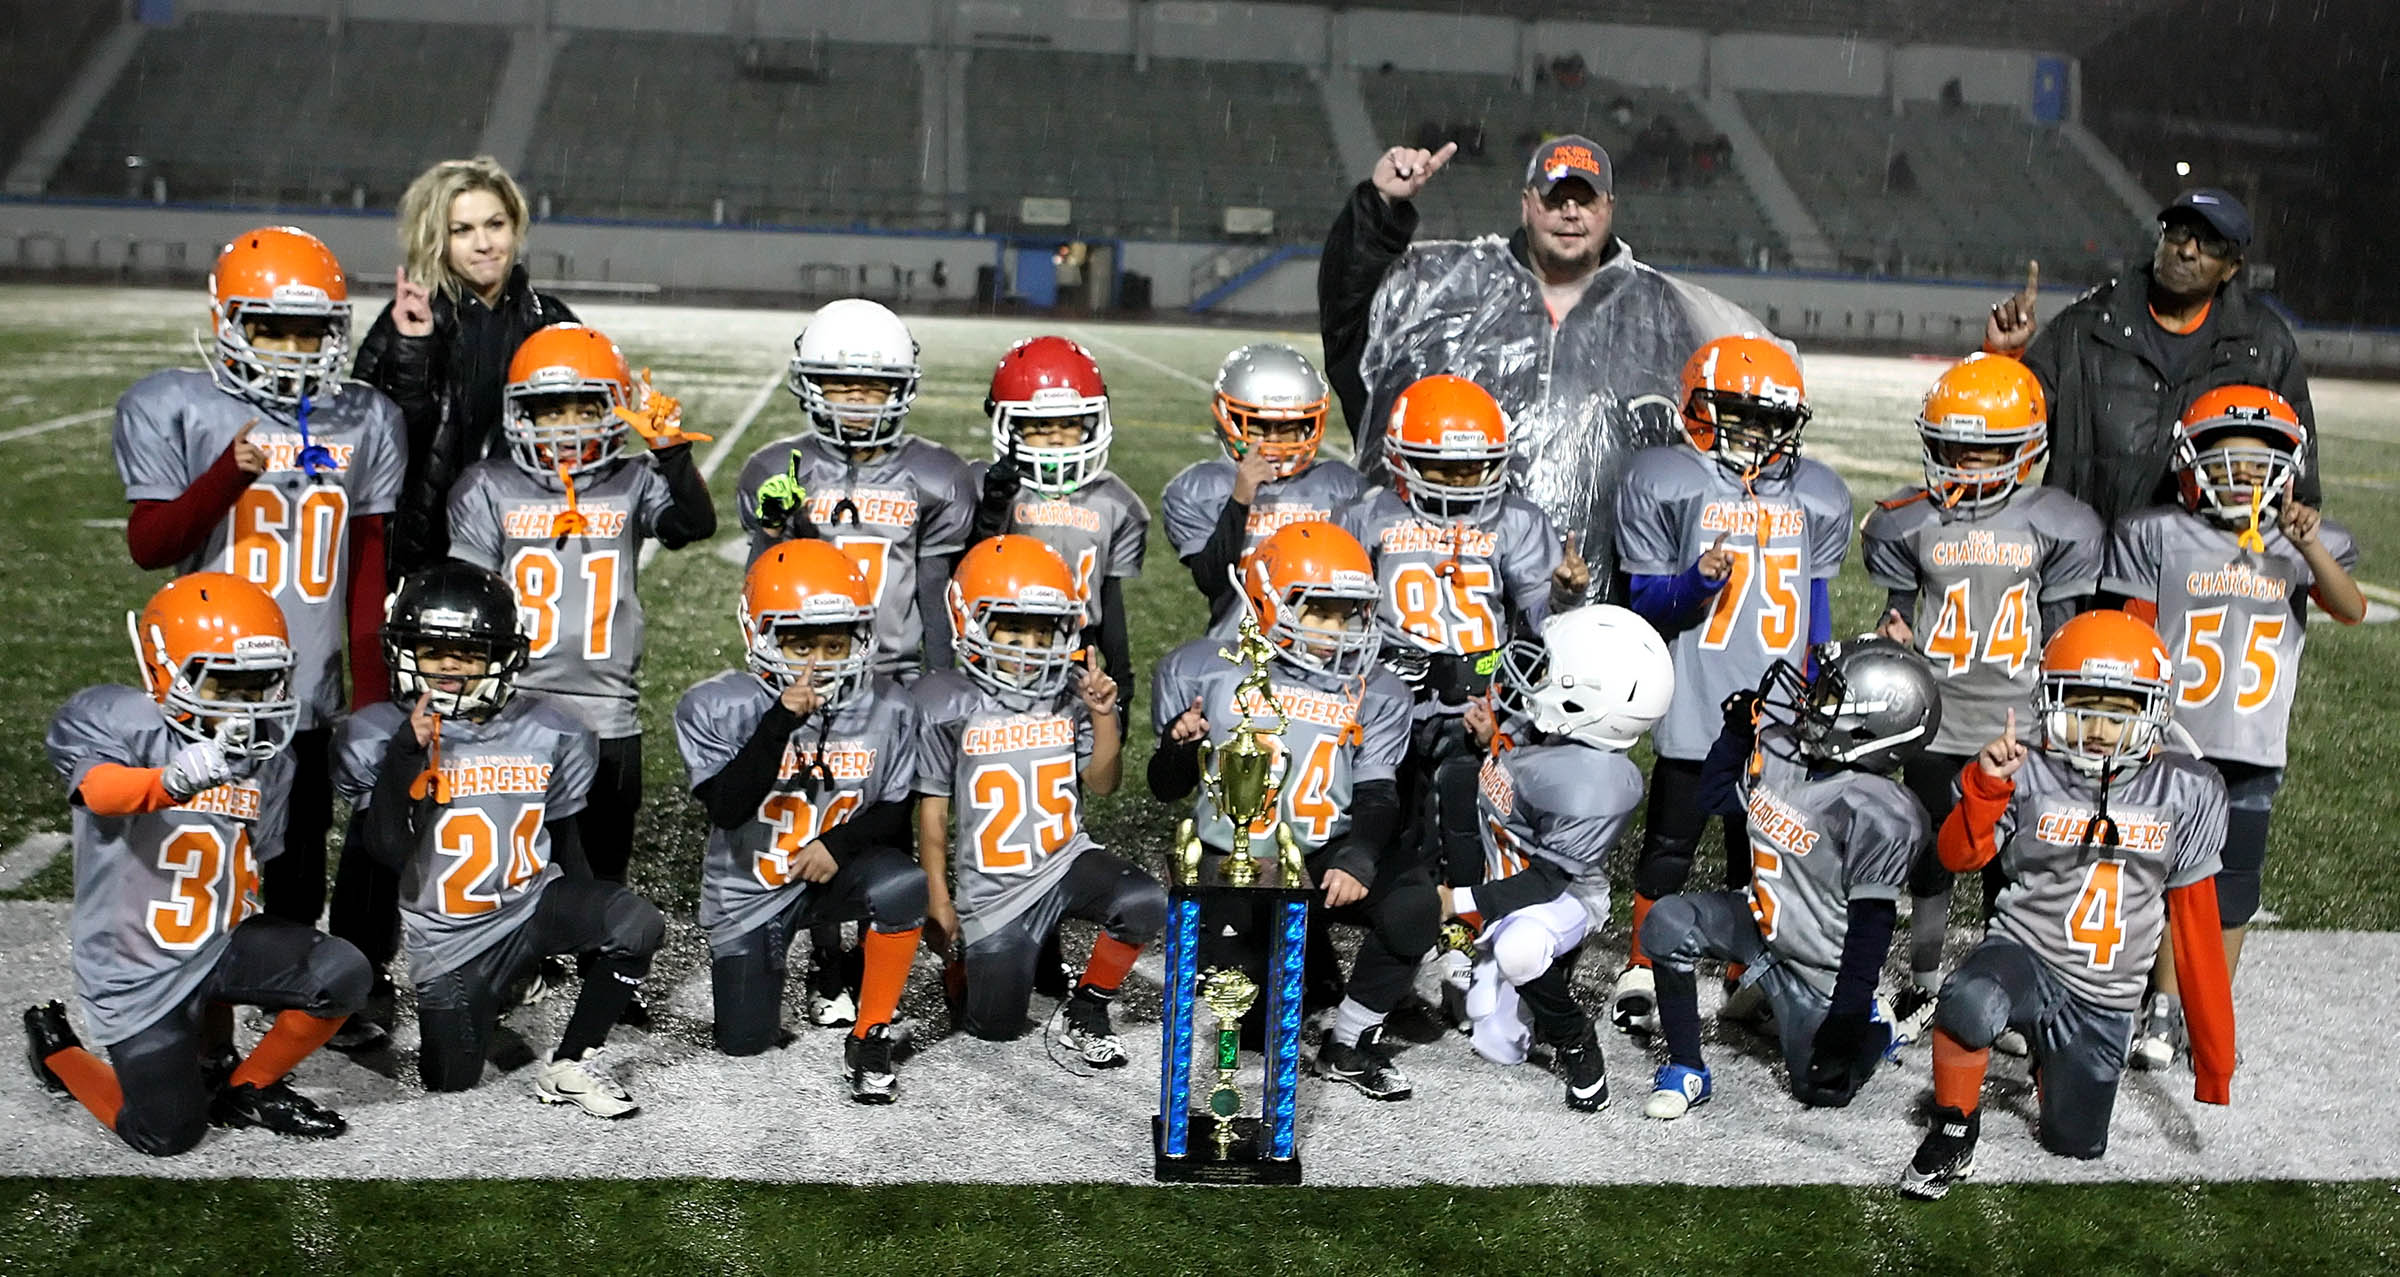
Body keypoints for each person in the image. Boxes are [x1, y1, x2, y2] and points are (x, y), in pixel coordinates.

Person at [113, 225, 404, 946]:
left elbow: (368, 566)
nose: (294, 350)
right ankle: (200, 1014)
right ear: (228, 322)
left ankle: (288, 1009)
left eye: (311, 332)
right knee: (202, 856)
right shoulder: (180, 403)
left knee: (298, 864)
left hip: (306, 684)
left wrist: (368, 697)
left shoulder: (364, 416)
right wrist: (227, 474)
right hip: (209, 684)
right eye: (272, 330)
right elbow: (152, 545)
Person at [1319, 134, 1770, 594]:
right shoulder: (1454, 289)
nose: (1570, 212)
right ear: (1527, 203)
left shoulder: (1662, 312)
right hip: (1458, 601)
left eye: (1585, 200)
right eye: (1556, 199)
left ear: (1609, 207)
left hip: (1606, 605)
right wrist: (1380, 209)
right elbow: (1355, 324)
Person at [26, 573, 369, 1156]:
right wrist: (177, 777)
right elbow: (100, 791)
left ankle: (248, 1089)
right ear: (165, 670)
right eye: (228, 685)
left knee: (341, 972)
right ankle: (60, 1054)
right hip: (137, 966)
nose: (247, 705)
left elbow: (246, 867)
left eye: (262, 684)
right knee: (167, 1134)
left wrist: (218, 1029)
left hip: (216, 939)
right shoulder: (119, 720)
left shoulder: (269, 758)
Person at [1899, 611, 2233, 1199]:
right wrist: (1985, 789)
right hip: (2025, 953)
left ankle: (2050, 1064)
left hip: (2106, 993)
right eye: (2082, 703)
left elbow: (2197, 924)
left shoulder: (2187, 789)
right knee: (1969, 1002)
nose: (2099, 726)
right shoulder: (2026, 769)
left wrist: (2213, 1057)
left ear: (2154, 709)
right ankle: (1954, 1129)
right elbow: (1957, 857)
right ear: (2050, 698)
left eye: (2120, 707)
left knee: (2075, 1143)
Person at [333, 564, 664, 1119]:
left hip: (532, 908)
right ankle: (500, 986)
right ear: (404, 649)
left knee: (636, 923)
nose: (449, 667)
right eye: (432, 650)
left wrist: (592, 938)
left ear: (503, 656)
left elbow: (565, 839)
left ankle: (571, 1063)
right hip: (450, 941)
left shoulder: (554, 727)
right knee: (451, 1085)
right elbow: (387, 850)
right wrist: (406, 754)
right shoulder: (372, 734)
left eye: (468, 652)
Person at [2099, 385, 2362, 1069]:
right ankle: (2158, 1001)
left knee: (2235, 887)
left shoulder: (2309, 543)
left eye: (2260, 460)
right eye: (2227, 457)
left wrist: (2306, 544)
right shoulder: (2156, 532)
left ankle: (2210, 1005)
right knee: (2163, 874)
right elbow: (2132, 632)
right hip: (2171, 740)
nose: (2244, 473)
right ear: (2190, 461)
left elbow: (2351, 607)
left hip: (2252, 743)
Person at [736, 297, 974, 1026]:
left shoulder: (934, 475)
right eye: (840, 384)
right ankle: (823, 957)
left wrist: (939, 683)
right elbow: (763, 586)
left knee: (883, 827)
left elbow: (934, 597)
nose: (856, 401)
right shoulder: (778, 468)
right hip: (808, 674)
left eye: (871, 386)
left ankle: (877, 959)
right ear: (809, 383)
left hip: (893, 679)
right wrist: (780, 530)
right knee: (806, 817)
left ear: (901, 388)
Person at [1608, 336, 1851, 1037]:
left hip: (1776, 705)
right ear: (1703, 409)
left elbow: (1814, 606)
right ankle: (1643, 964)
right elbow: (1646, 603)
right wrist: (1698, 582)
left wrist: (1819, 678)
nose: (1761, 435)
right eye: (1743, 416)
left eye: (1773, 422)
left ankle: (1751, 971)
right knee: (1672, 841)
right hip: (1697, 693)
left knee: (1762, 846)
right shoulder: (1667, 478)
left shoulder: (1814, 492)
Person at [1860, 354, 2103, 1041]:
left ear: (2023, 451)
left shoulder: (2055, 523)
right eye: (1953, 445)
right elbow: (1898, 612)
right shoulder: (1909, 521)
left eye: (1986, 449)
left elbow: (2063, 637)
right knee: (1935, 855)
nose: (1965, 461)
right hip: (1936, 719)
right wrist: (1893, 634)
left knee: (2010, 863)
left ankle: (2004, 980)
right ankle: (1926, 979)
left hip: (2020, 723)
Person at [1150, 522, 1434, 1100]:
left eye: (1348, 614)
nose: (1337, 632)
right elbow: (1164, 786)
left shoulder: (1375, 688)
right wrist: (1179, 745)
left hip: (1325, 837)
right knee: (1253, 1021)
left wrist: (1357, 857)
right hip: (1238, 851)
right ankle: (1306, 971)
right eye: (1319, 613)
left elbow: (1379, 792)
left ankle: (1349, 1041)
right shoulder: (1211, 669)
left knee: (1413, 905)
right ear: (1266, 603)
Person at [447, 323, 716, 885]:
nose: (567, 426)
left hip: (606, 707)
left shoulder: (633, 479)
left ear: (614, 409)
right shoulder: (489, 485)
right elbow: (470, 596)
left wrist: (671, 453)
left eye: (583, 408)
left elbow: (693, 523)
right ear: (521, 413)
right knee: (515, 863)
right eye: (551, 410)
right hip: (512, 702)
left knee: (603, 870)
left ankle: (603, 968)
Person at [1640, 639, 1938, 1120]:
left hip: (1820, 969)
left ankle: (1882, 1024)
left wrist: (1846, 1019)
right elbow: (1716, 798)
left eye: (1828, 694)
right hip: (1760, 922)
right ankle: (1685, 1068)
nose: (1809, 700)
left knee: (1823, 1089)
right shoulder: (1782, 747)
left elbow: (1870, 930)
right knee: (1668, 922)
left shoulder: (1879, 812)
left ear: (1868, 727)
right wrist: (1737, 735)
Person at [675, 541, 926, 1100]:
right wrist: (779, 722)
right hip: (751, 889)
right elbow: (727, 806)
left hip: (830, 878)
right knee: (744, 1042)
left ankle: (870, 1034)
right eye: (799, 642)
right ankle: (811, 965)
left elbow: (893, 806)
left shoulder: (889, 705)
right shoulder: (718, 705)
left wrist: (837, 844)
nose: (820, 660)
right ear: (760, 636)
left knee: (904, 885)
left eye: (835, 643)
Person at [913, 537, 1160, 1067]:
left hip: (1065, 859)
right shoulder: (947, 700)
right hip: (995, 892)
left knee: (1144, 900)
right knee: (993, 1030)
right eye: (1014, 627)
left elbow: (1102, 783)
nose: (1030, 644)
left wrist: (1101, 715)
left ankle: (1088, 1008)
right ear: (972, 621)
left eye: (1044, 629)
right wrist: (940, 898)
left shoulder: (1072, 694)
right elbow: (933, 813)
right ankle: (964, 968)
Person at [1337, 374, 1582, 899]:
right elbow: (1341, 616)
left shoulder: (1515, 520)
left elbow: (1540, 618)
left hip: (1479, 695)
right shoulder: (1368, 515)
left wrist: (1562, 597)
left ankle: (1461, 920)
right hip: (1388, 698)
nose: (1462, 481)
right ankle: (1395, 912)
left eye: (1476, 467)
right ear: (1402, 459)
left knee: (1470, 818)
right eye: (1445, 468)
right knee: (1387, 814)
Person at [1983, 189, 2319, 528]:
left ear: (2232, 267)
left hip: (2202, 566)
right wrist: (2004, 356)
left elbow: (2297, 468)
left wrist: (2299, 518)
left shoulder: (2263, 344)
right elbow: (2010, 432)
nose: (2187, 250)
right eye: (2179, 232)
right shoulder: (2085, 325)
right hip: (2088, 560)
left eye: (2210, 243)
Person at [1452, 604, 1672, 1112]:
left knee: (1521, 950)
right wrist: (1495, 743)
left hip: (1560, 893)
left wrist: (1458, 902)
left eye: (1553, 669)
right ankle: (1526, 977)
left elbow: (1546, 881)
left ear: (1587, 702)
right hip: (1511, 883)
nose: (1537, 673)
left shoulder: (1594, 782)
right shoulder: (1559, 737)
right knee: (1495, 1042)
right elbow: (1522, 774)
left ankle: (1577, 1042)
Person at [353, 156, 577, 575]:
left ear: (515, 227)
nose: (484, 244)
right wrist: (412, 349)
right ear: (437, 238)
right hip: (424, 549)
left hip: (529, 543)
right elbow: (384, 448)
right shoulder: (403, 321)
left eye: (495, 225)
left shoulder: (549, 322)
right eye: (463, 231)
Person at [968, 335, 1148, 707]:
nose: (1055, 438)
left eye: (1069, 423)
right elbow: (966, 575)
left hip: (1081, 654)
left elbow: (1111, 601)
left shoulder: (1115, 501)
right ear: (1011, 425)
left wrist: (1123, 675)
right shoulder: (987, 486)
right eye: (1039, 425)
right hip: (1002, 648)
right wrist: (992, 511)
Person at [1161, 343, 1367, 632]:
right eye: (1257, 426)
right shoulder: (1203, 487)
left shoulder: (1341, 486)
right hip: (1241, 647)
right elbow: (1211, 580)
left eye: (1287, 428)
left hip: (1324, 647)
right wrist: (1240, 500)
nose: (1273, 441)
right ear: (1228, 419)